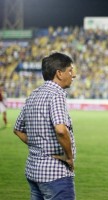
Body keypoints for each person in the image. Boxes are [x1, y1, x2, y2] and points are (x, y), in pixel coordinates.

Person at [14, 52, 77, 199]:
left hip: (33, 171)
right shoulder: (56, 94)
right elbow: (61, 130)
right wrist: (69, 157)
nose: (73, 75)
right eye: (70, 70)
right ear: (59, 74)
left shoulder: (34, 95)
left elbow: (17, 129)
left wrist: (39, 144)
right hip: (55, 175)